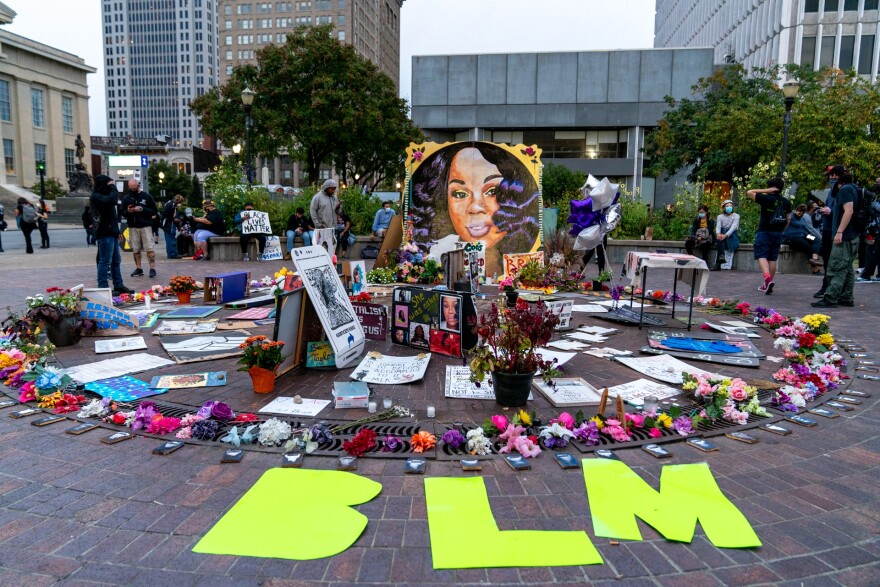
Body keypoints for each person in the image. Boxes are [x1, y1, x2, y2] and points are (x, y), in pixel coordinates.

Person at [410, 142, 541, 276]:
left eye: (492, 191)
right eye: (460, 194)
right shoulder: (439, 252)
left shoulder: (524, 261)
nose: (475, 207)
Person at [813, 171, 858, 308]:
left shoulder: (844, 189)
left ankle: (831, 297)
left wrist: (839, 231)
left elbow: (848, 211)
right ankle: (846, 297)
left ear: (839, 181)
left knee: (836, 266)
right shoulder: (855, 189)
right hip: (853, 235)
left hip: (844, 236)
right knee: (848, 268)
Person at [90, 175, 134, 295]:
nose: (110, 186)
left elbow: (112, 216)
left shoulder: (104, 195)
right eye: (109, 183)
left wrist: (117, 231)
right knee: (105, 261)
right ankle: (103, 287)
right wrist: (114, 187)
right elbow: (113, 200)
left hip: (111, 232)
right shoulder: (96, 196)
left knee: (116, 260)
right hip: (104, 233)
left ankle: (118, 285)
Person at [746, 177, 791, 295]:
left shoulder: (765, 198)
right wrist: (782, 230)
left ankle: (767, 279)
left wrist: (766, 190)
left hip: (764, 231)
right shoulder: (786, 201)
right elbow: (789, 218)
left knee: (761, 255)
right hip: (778, 233)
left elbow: (750, 192)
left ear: (770, 187)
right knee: (772, 258)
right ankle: (768, 283)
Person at [814, 165, 844, 298]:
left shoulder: (844, 190)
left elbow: (846, 210)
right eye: (830, 175)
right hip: (827, 228)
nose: (832, 178)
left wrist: (830, 211)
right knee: (826, 259)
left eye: (834, 175)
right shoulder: (832, 191)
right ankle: (826, 286)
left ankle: (834, 289)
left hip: (836, 230)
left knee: (836, 261)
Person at [121, 179, 158, 278]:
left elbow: (154, 211)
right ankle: (139, 268)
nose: (133, 190)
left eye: (135, 188)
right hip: (133, 226)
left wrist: (143, 209)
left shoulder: (146, 196)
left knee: (149, 247)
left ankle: (152, 268)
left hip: (145, 225)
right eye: (131, 188)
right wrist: (128, 211)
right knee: (135, 248)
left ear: (138, 186)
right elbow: (122, 212)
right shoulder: (127, 198)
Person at [782, 204, 823, 274]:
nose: (800, 214)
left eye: (802, 213)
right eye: (799, 212)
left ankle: (814, 257)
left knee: (816, 239)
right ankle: (815, 269)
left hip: (803, 235)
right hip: (793, 237)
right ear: (796, 210)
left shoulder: (802, 218)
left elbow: (803, 229)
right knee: (807, 246)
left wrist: (808, 235)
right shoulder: (790, 216)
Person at [713, 199, 740, 270]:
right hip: (722, 233)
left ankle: (718, 263)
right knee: (720, 240)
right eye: (727, 206)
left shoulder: (736, 216)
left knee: (722, 241)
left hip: (731, 234)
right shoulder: (720, 216)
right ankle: (721, 257)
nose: (729, 207)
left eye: (731, 206)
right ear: (724, 208)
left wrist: (725, 235)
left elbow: (733, 227)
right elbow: (718, 226)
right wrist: (718, 233)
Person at [161, 195, 184, 259]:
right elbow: (166, 214)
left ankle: (170, 253)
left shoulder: (169, 203)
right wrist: (174, 219)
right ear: (178, 201)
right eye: (180, 202)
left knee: (168, 239)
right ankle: (173, 254)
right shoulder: (172, 205)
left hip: (167, 224)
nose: (180, 204)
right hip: (169, 224)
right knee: (171, 239)